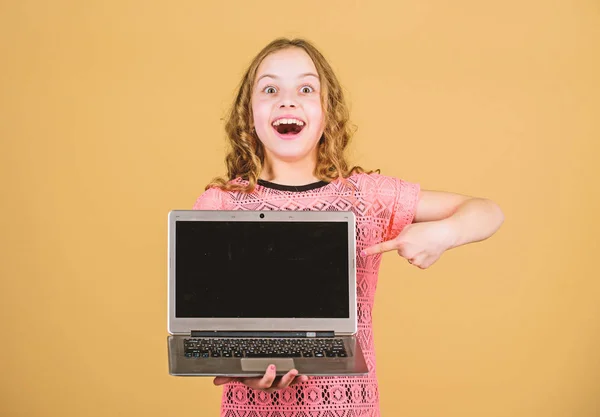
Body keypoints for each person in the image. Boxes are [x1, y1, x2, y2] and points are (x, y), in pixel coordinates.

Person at [192, 37, 504, 417]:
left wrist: (441, 234)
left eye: (306, 89)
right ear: (249, 112)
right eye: (270, 89)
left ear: (327, 110)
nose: (287, 100)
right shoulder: (221, 203)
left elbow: (488, 211)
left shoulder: (366, 197)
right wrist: (243, 370)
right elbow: (206, 329)